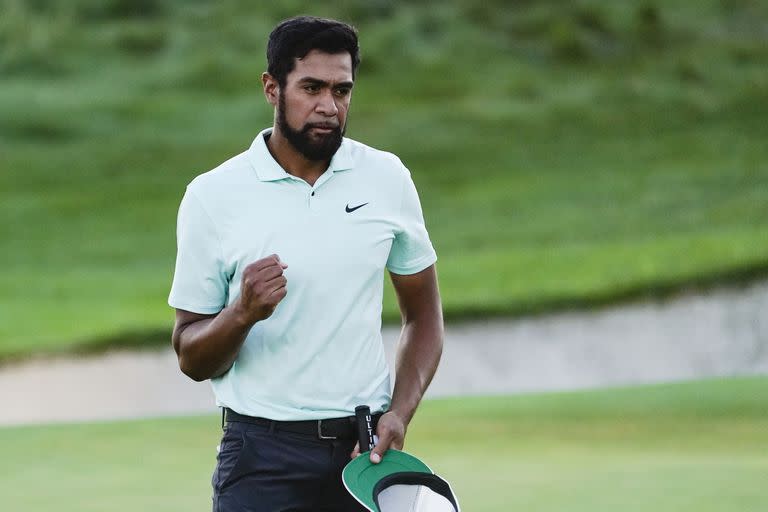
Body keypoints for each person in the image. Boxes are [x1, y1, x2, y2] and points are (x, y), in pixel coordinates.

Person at [168, 16, 444, 511]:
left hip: (363, 456)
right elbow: (191, 356)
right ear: (272, 89)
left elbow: (423, 317)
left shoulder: (386, 179)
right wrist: (241, 313)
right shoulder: (212, 196)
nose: (328, 106)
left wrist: (399, 413)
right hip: (260, 458)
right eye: (311, 87)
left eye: (342, 90)